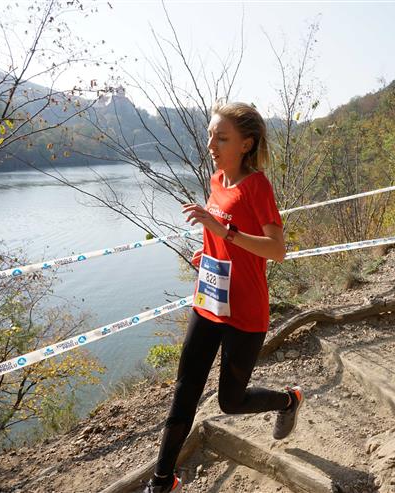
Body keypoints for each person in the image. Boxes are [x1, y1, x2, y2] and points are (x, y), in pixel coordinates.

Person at [144, 102, 304, 493]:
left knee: (230, 402)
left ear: (246, 144)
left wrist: (224, 233)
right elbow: (221, 237)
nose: (211, 144)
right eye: (210, 135)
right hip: (210, 300)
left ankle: (288, 400)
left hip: (245, 310)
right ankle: (162, 482)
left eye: (222, 138)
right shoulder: (217, 180)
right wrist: (210, 251)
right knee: (185, 391)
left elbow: (277, 250)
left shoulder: (257, 186)